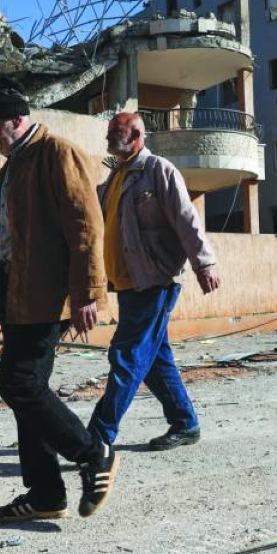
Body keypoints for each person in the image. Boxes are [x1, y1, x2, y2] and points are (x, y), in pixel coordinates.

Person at [0, 78, 119, 523]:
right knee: (26, 394)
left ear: (18, 121)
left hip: (48, 296)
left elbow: (85, 227)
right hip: (21, 297)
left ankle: (94, 454)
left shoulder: (58, 152)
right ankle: (46, 494)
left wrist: (88, 293)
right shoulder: (15, 162)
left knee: (18, 384)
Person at [88, 112, 221, 452]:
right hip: (127, 282)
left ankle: (96, 437)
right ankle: (185, 423)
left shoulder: (158, 170)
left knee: (128, 355)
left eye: (114, 132)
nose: (108, 137)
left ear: (136, 134)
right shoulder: (116, 176)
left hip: (156, 279)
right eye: (108, 132)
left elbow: (185, 217)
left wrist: (204, 263)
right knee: (153, 358)